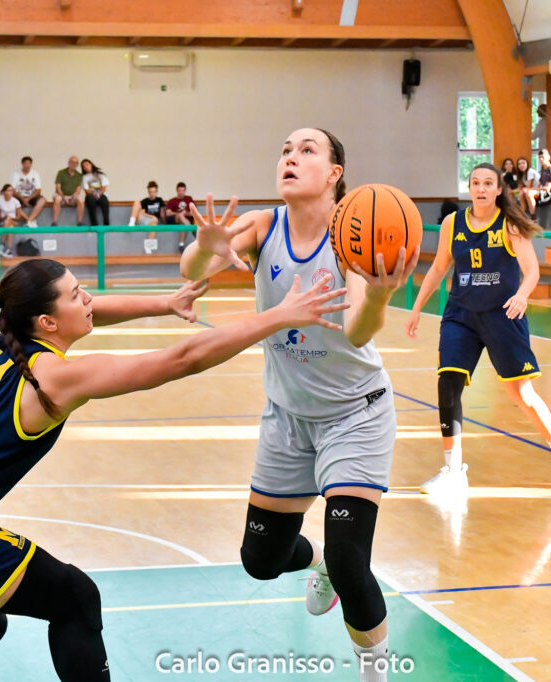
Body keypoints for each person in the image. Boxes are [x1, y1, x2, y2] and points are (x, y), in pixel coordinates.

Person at [0, 258, 345, 682]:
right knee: (74, 598)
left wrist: (163, 304)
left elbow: (87, 313)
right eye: (77, 293)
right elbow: (184, 358)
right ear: (46, 321)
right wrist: (280, 315)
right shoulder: (56, 376)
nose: (90, 299)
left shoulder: (2, 342)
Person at [180, 127, 418, 682]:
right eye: (285, 149)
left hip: (354, 416)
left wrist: (379, 294)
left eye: (307, 150)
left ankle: (374, 673)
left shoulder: (354, 234)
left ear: (335, 173)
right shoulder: (263, 226)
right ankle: (318, 566)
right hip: (287, 418)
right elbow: (191, 271)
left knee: (351, 561)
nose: (290, 156)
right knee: (259, 563)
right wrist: (207, 248)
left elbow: (358, 332)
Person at [405, 163, 551, 496]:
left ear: (498, 189)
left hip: (503, 314)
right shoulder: (452, 223)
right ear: (469, 188)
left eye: (488, 183)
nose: (482, 189)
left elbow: (531, 270)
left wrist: (521, 295)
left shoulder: (509, 225)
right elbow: (439, 267)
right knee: (449, 384)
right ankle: (453, 469)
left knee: (523, 394)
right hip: (461, 313)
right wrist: (416, 307)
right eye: (476, 183)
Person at [521, 148, 551, 220]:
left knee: (529, 193)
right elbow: (538, 185)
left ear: (548, 157)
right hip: (543, 192)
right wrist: (528, 189)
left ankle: (533, 217)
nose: (541, 159)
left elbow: (547, 188)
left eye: (543, 157)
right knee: (523, 192)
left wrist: (531, 190)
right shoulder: (542, 170)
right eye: (539, 158)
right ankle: (523, 216)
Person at [129, 181, 165, 254]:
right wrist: (152, 216)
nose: (152, 194)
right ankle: (132, 222)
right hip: (143, 219)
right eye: (150, 192)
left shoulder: (159, 200)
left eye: (154, 192)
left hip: (153, 222)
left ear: (156, 191)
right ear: (148, 192)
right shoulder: (145, 201)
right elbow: (142, 213)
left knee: (154, 224)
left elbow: (162, 214)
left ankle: (148, 247)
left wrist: (165, 223)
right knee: (136, 202)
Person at [10, 156, 47, 228]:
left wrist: (28, 199)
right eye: (25, 163)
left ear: (31, 164)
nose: (27, 165)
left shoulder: (35, 173)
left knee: (43, 200)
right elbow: (12, 189)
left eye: (29, 164)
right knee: (12, 201)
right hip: (19, 196)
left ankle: (29, 221)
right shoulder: (15, 173)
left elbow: (38, 190)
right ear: (22, 164)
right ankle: (28, 219)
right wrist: (23, 199)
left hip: (32, 196)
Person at [0, 184, 29, 258]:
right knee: (9, 227)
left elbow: (18, 216)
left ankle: (2, 245)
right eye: (9, 190)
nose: (10, 192)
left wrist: (11, 218)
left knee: (9, 223)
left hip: (14, 221)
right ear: (4, 191)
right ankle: (9, 250)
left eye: (12, 191)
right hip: (3, 222)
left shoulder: (15, 201)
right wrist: (4, 216)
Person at [52, 156, 85, 226]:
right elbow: (58, 188)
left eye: (76, 163)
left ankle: (80, 222)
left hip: (72, 197)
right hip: (61, 196)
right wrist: (64, 197)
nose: (74, 164)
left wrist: (72, 197)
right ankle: (54, 222)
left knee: (81, 199)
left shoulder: (79, 175)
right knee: (57, 199)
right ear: (68, 163)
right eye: (72, 162)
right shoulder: (61, 172)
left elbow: (78, 190)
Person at [165, 182, 196, 252]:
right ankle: (192, 229)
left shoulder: (189, 199)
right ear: (177, 191)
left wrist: (186, 213)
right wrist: (179, 213)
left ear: (185, 191)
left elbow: (193, 213)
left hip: (185, 220)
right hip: (175, 219)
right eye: (179, 190)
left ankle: (181, 244)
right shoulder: (172, 201)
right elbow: (168, 213)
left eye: (183, 190)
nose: (181, 192)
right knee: (180, 215)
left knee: (183, 224)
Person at [80, 159, 110, 227]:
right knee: (90, 200)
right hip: (91, 195)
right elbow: (86, 190)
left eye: (87, 165)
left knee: (104, 200)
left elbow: (104, 187)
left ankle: (106, 223)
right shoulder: (84, 177)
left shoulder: (101, 174)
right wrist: (94, 194)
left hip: (101, 194)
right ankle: (94, 223)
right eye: (84, 166)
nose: (86, 167)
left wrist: (99, 194)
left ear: (91, 164)